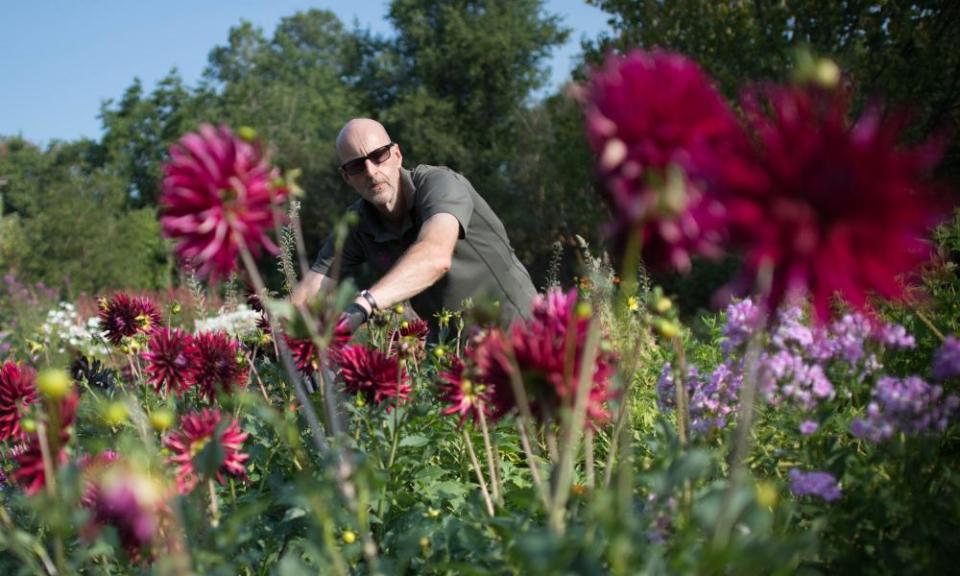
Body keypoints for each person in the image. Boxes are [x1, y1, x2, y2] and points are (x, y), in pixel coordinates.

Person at [292, 118, 537, 335]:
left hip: (521, 333)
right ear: (346, 177)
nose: (371, 171)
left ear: (397, 155)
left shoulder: (440, 184)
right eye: (356, 166)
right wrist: (271, 335)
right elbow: (313, 286)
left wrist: (365, 304)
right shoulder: (357, 224)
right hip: (456, 355)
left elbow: (435, 256)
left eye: (379, 155)